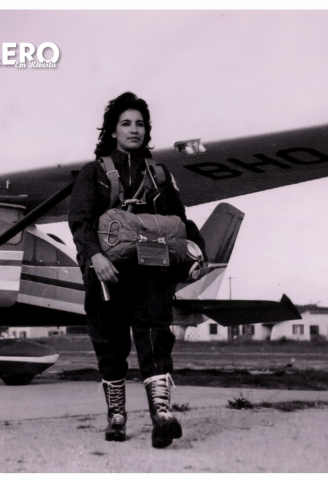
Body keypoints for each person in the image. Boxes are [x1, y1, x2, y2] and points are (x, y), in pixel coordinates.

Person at [68, 92, 205, 448]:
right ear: (112, 131)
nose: (134, 130)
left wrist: (197, 252)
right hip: (106, 273)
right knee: (109, 343)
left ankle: (162, 416)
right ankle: (116, 418)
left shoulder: (159, 174)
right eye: (126, 123)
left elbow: (181, 220)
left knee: (155, 337)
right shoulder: (93, 173)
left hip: (151, 269)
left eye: (140, 124)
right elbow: (80, 222)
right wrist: (95, 258)